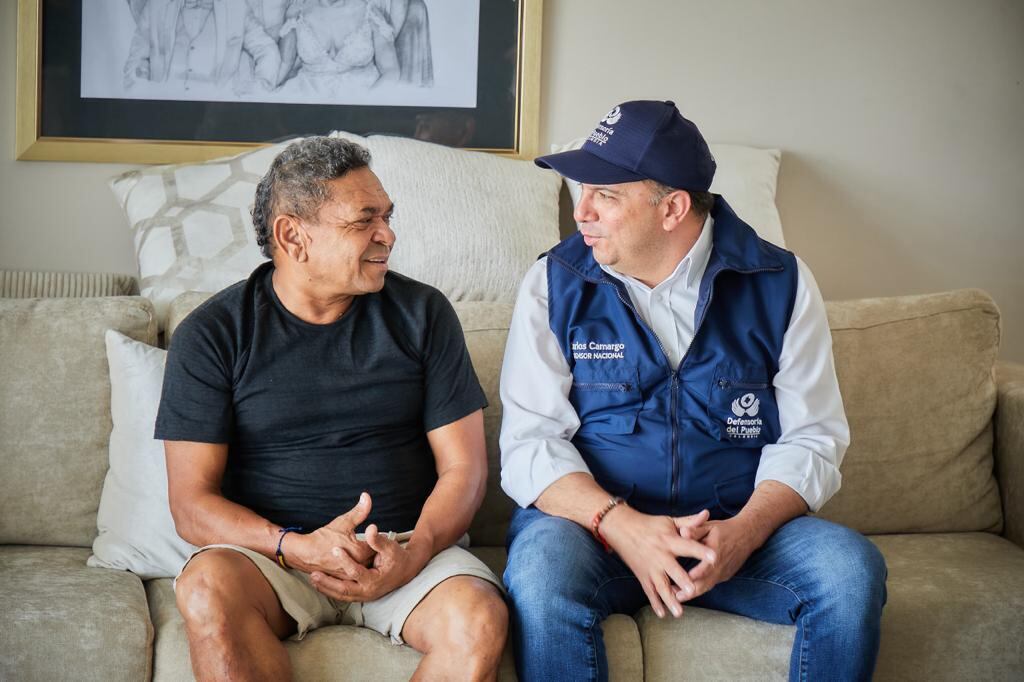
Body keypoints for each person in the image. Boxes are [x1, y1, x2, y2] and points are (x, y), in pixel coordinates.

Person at [499, 100, 887, 681]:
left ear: (673, 208)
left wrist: (743, 533)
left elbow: (815, 439)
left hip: (734, 530)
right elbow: (530, 443)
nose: (581, 212)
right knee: (539, 572)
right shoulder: (553, 284)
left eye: (606, 194)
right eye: (583, 191)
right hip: (594, 532)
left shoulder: (781, 284)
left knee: (850, 572)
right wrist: (622, 525)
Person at [157, 136, 507, 681]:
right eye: (364, 220)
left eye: (387, 216)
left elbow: (464, 469)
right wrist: (294, 547)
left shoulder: (423, 313)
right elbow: (190, 504)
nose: (387, 235)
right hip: (274, 560)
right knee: (205, 587)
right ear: (293, 236)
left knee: (479, 620)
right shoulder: (213, 334)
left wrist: (413, 555)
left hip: (407, 550)